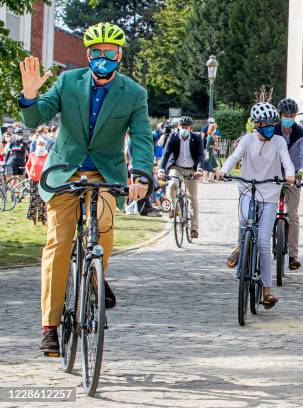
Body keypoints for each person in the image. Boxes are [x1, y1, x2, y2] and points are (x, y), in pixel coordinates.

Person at [19, 22, 153, 355]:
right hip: (64, 173)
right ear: (88, 55)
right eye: (96, 52)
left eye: (110, 52)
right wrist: (30, 94)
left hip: (104, 173)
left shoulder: (134, 93)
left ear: (120, 54)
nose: (103, 58)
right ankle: (50, 327)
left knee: (104, 228)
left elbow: (141, 138)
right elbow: (35, 119)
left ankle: (95, 274)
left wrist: (142, 175)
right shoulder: (67, 82)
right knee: (59, 243)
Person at [219, 102, 295, 308]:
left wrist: (290, 174)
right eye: (265, 123)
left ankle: (267, 291)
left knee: (262, 241)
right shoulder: (248, 140)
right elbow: (234, 157)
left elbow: (286, 160)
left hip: (270, 192)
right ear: (256, 124)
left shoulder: (279, 141)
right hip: (246, 189)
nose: (270, 126)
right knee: (245, 223)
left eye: (272, 123)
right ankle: (240, 247)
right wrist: (223, 171)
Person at [274, 97, 303, 270]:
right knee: (266, 209)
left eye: (292, 115)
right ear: (280, 115)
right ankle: (259, 247)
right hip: (273, 173)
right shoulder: (272, 130)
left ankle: (292, 255)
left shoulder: (302, 134)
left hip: (294, 175)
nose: (289, 117)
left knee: (293, 215)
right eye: (286, 115)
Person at [159, 116, 207, 238]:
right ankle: (173, 209)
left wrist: (200, 169)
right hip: (177, 167)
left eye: (186, 127)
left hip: (192, 169)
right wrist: (161, 169)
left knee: (193, 198)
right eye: (182, 127)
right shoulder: (173, 137)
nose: (184, 129)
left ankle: (194, 229)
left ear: (190, 128)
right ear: (178, 127)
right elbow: (166, 154)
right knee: (171, 185)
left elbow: (201, 155)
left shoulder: (196, 138)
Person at [25, 138, 48, 225]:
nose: (41, 146)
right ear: (36, 145)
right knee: (33, 200)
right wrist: (29, 174)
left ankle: (43, 221)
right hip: (33, 180)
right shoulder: (33, 155)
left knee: (42, 201)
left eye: (42, 145)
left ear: (45, 146)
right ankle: (33, 221)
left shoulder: (47, 155)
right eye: (39, 144)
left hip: (43, 181)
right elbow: (27, 165)